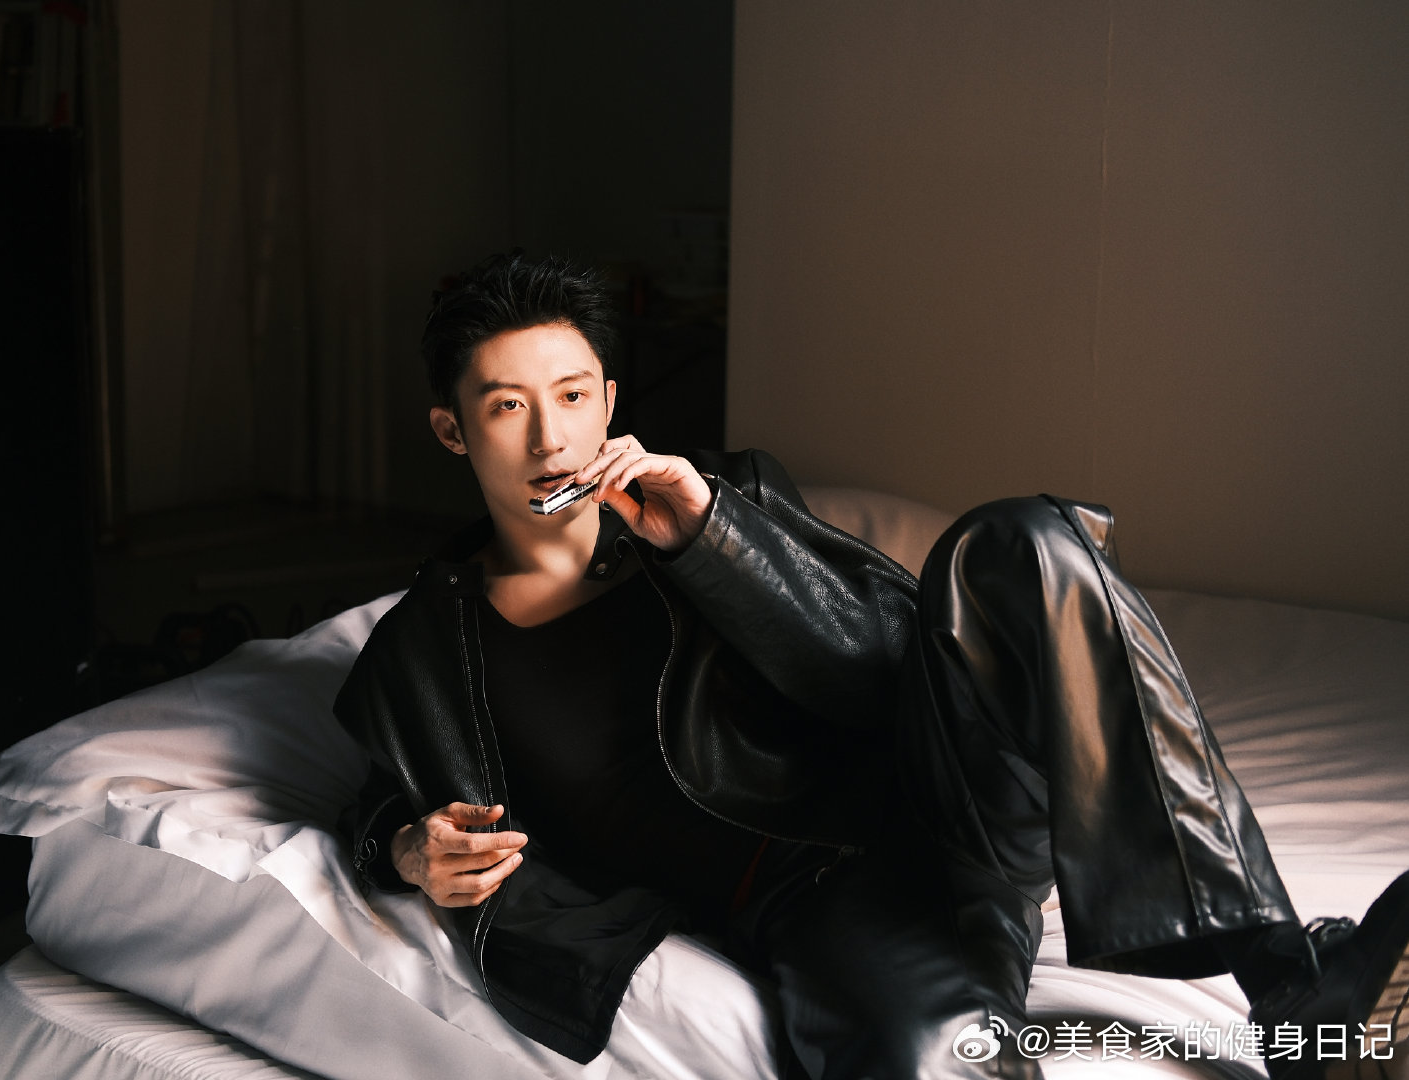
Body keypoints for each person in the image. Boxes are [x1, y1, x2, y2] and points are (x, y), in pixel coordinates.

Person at [334, 252, 1409, 1080]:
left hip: (946, 781)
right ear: (452, 431)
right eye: (506, 407)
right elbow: (380, 803)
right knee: (925, 1058)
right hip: (829, 907)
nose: (549, 440)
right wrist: (403, 849)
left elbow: (873, 666)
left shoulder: (724, 502)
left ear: (610, 402)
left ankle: (1291, 980)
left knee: (1027, 542)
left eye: (571, 397)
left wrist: (712, 540)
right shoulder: (424, 653)